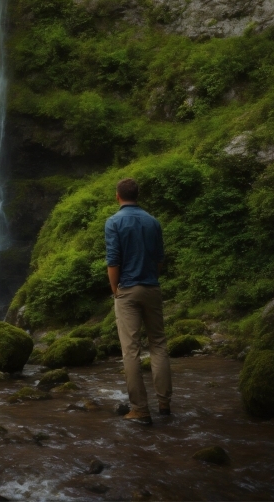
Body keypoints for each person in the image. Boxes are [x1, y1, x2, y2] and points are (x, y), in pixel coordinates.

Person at [105, 177, 172, 425]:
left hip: (127, 290)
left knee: (131, 350)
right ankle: (164, 403)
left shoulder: (114, 222)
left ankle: (140, 409)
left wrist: (116, 290)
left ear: (118, 196)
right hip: (152, 287)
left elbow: (113, 261)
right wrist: (151, 277)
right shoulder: (153, 222)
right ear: (138, 195)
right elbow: (159, 259)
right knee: (159, 344)